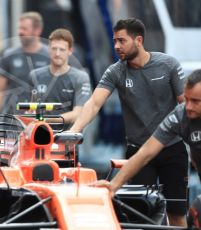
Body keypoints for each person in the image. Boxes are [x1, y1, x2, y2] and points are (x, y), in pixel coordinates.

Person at [69, 18, 188, 227]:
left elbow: (186, 106)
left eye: (121, 41)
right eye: (115, 41)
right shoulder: (115, 71)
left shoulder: (168, 65)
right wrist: (74, 131)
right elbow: (94, 104)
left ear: (138, 40)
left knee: (177, 214)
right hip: (138, 154)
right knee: (141, 217)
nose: (116, 46)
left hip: (172, 149)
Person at [93, 69, 201, 222]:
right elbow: (146, 152)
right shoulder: (180, 115)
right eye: (187, 99)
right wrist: (113, 185)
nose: (188, 106)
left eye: (195, 101)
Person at [0, 11, 50, 117]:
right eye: (19, 28)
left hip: (44, 119)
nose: (20, 32)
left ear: (37, 30)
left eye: (24, 29)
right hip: (13, 120)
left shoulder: (51, 56)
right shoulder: (9, 55)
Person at [29, 28, 91, 129]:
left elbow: (78, 114)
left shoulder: (80, 77)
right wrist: (30, 114)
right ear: (48, 49)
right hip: (38, 137)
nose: (57, 53)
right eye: (54, 48)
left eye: (62, 49)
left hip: (67, 138)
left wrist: (44, 119)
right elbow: (29, 108)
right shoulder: (35, 75)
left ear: (70, 51)